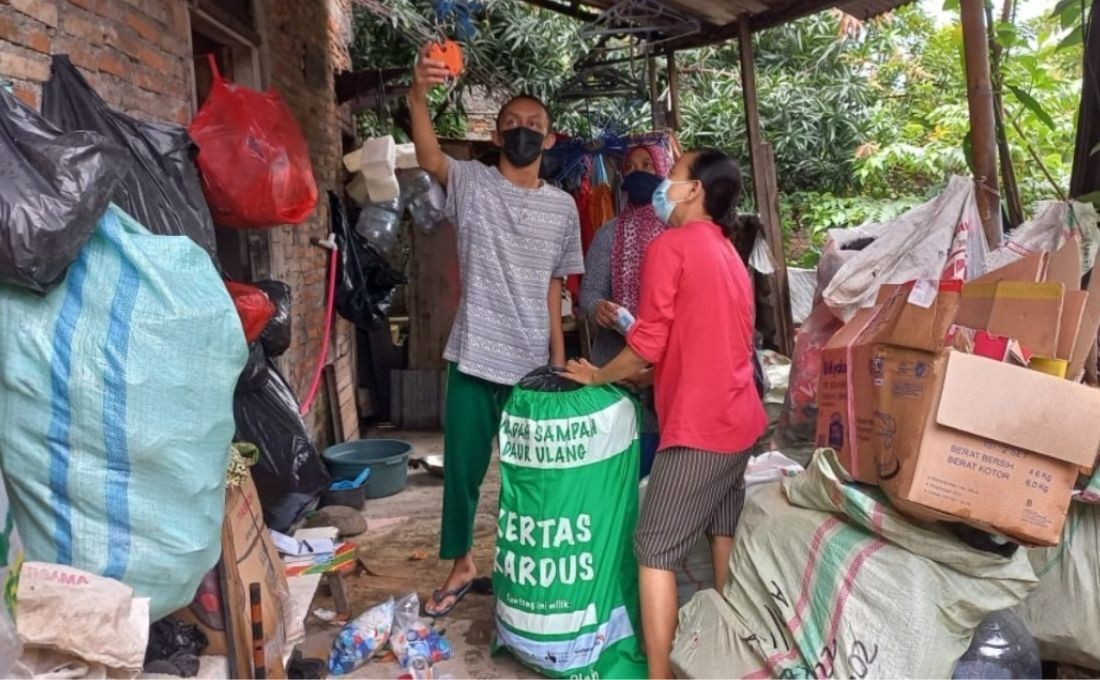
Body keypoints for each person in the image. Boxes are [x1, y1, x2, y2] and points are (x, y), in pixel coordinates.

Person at [562, 148, 766, 678]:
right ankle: (727, 657)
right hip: (741, 420)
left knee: (653, 549)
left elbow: (646, 343)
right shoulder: (726, 252)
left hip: (702, 429)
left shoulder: (671, 246)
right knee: (723, 531)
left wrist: (598, 374)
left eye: (673, 174)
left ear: (694, 190)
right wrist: (648, 376)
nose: (662, 181)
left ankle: (658, 674)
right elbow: (704, 344)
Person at [410, 45, 584, 617]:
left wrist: (559, 363)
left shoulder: (564, 209)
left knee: (529, 475)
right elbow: (429, 152)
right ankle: (461, 565)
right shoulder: (473, 184)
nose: (523, 132)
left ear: (551, 139)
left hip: (532, 362)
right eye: (512, 125)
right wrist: (418, 94)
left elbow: (555, 290)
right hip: (474, 352)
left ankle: (522, 566)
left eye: (534, 126)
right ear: (496, 135)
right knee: (462, 472)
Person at [578, 144, 671, 478]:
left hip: (663, 367)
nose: (639, 172)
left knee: (660, 467)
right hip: (613, 365)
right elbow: (588, 296)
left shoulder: (678, 233)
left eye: (648, 164)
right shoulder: (609, 233)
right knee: (616, 466)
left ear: (665, 172)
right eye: (630, 167)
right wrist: (598, 307)